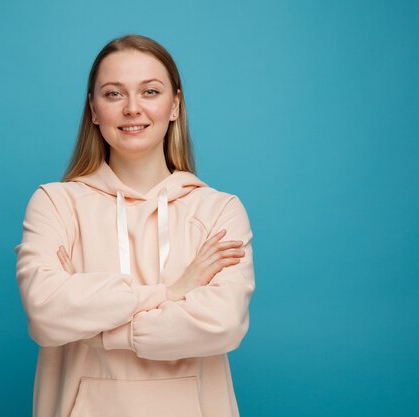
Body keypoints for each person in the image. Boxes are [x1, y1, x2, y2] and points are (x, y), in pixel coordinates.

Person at [14, 34, 255, 417]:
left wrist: (99, 331)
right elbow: (46, 313)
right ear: (93, 109)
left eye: (150, 91)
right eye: (113, 94)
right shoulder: (55, 204)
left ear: (175, 105)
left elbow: (221, 324)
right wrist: (171, 291)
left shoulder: (218, 210)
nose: (132, 108)